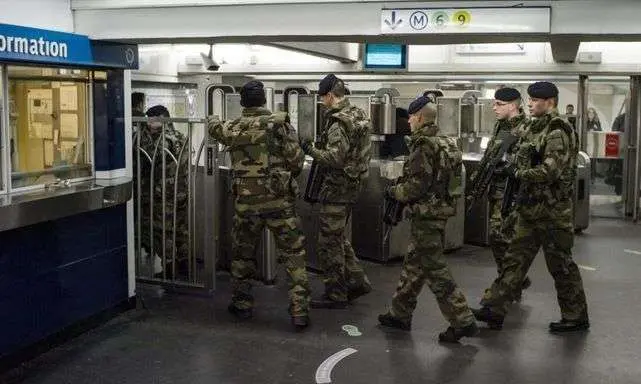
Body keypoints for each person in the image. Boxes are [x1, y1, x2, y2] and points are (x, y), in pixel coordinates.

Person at [472, 81, 590, 333]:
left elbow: (550, 171)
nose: (530, 104)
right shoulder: (533, 127)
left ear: (549, 102)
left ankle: (576, 316)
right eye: (530, 100)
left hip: (552, 212)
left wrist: (517, 172)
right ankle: (494, 309)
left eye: (535, 101)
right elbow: (517, 148)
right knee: (514, 260)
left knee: (561, 265)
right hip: (530, 208)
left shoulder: (557, 130)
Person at [207, 80, 311, 330]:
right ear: (264, 100)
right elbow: (296, 162)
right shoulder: (279, 125)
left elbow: (214, 128)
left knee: (243, 255)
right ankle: (299, 311)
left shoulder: (232, 127)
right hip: (279, 203)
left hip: (246, 203)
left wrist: (211, 119)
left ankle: (242, 304)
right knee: (293, 255)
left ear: (242, 102)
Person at [377, 96, 478, 343]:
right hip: (441, 213)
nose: (408, 121)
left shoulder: (423, 145)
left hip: (425, 217)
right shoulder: (449, 143)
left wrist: (392, 191)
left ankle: (462, 319)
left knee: (436, 271)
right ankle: (399, 313)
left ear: (420, 118)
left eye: (411, 117)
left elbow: (416, 187)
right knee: (414, 265)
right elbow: (454, 183)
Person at [299, 74, 373, 309]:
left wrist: (310, 149)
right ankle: (357, 280)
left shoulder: (338, 121)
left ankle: (336, 293)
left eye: (323, 98)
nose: (322, 102)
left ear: (330, 96)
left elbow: (334, 157)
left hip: (337, 189)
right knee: (338, 237)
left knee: (329, 242)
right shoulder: (358, 114)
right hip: (352, 186)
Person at [471, 87, 532, 303]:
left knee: (501, 237)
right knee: (498, 238)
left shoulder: (526, 128)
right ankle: (512, 281)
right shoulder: (500, 126)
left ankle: (509, 284)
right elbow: (491, 153)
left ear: (513, 105)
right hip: (496, 190)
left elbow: (528, 160)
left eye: (499, 104)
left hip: (512, 193)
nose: (494, 107)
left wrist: (508, 166)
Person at [137, 105, 190, 279]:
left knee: (163, 231)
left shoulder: (164, 140)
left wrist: (142, 135)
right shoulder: (181, 136)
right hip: (180, 191)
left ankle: (169, 268)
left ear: (162, 119)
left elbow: (150, 158)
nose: (149, 123)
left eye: (152, 120)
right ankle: (184, 265)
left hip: (163, 194)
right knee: (181, 229)